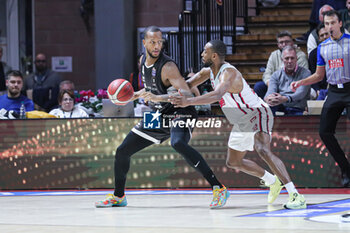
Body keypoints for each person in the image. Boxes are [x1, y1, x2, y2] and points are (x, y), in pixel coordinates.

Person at [95, 26, 229, 209]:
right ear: (144, 43)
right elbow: (152, 89)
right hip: (160, 113)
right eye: (152, 42)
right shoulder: (143, 61)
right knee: (122, 150)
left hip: (181, 111)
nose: (157, 45)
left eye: (159, 42)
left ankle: (218, 188)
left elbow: (187, 95)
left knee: (178, 143)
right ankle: (119, 196)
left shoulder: (168, 67)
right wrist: (135, 94)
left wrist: (158, 98)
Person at [170, 40, 306, 209]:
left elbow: (217, 94)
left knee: (262, 149)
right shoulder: (207, 72)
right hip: (242, 120)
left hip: (256, 112)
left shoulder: (229, 73)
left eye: (205, 51)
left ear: (214, 55)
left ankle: (295, 195)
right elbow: (185, 85)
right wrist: (160, 95)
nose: (201, 54)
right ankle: (273, 181)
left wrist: (188, 101)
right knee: (233, 162)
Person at [291, 10, 350, 187]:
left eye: (333, 23)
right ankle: (346, 168)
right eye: (326, 24)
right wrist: (301, 82)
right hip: (333, 91)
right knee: (324, 132)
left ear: (340, 24)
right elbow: (318, 75)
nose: (330, 27)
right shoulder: (322, 48)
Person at [253, 31, 309, 99]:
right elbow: (267, 73)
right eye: (281, 42)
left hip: (292, 86)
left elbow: (304, 77)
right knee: (259, 86)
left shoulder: (300, 55)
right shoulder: (274, 54)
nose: (284, 44)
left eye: (287, 42)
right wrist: (272, 86)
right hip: (274, 85)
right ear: (278, 45)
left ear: (292, 42)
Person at [264, 46, 311, 116]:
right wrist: (268, 98)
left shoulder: (306, 73)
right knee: (268, 107)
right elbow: (270, 91)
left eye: (292, 58)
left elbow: (300, 93)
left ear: (296, 59)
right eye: (287, 58)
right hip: (280, 106)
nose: (289, 61)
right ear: (282, 59)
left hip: (298, 107)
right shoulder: (275, 75)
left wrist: (285, 98)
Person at [308, 23, 329, 96]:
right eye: (322, 35)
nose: (325, 37)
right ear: (319, 38)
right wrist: (317, 89)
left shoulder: (339, 50)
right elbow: (313, 73)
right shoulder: (313, 54)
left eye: (326, 34)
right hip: (320, 87)